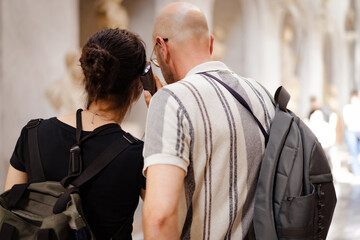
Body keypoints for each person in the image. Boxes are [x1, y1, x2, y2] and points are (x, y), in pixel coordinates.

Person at [142, 2, 275, 239]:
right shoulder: (261, 94)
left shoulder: (171, 100)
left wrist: (163, 110)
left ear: (162, 47)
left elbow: (160, 219)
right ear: (211, 43)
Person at [4, 28, 146, 239]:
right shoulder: (138, 154)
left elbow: (9, 213)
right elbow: (162, 219)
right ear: (138, 85)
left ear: (87, 77)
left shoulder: (32, 134)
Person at [343, 90, 360, 176]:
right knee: (354, 152)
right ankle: (356, 171)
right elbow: (347, 121)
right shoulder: (347, 108)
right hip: (351, 132)